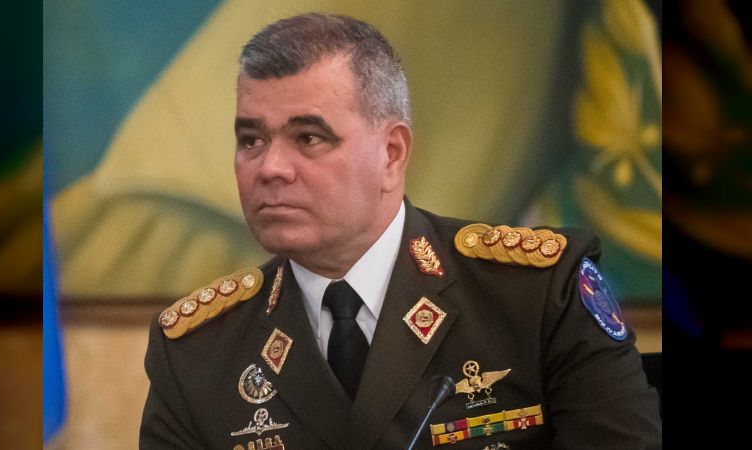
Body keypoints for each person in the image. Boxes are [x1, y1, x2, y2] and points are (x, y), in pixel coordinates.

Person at [140, 13, 661, 450]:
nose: (270, 167)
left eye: (308, 137)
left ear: (391, 153)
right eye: (251, 140)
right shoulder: (197, 352)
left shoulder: (538, 294)